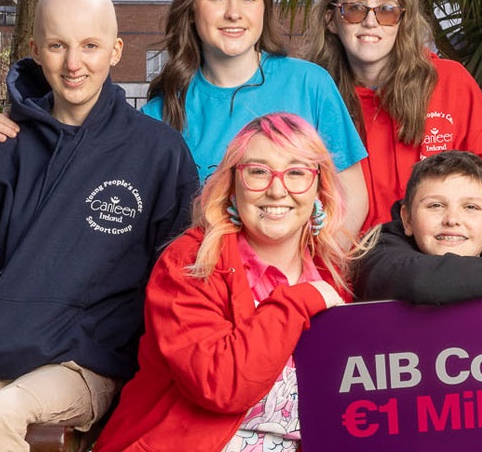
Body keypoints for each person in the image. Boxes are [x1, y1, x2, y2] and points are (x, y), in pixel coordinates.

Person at [0, 0, 199, 452]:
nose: (74, 64)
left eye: (90, 46)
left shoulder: (157, 153)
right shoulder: (2, 150)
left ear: (115, 51)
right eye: (57, 46)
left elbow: (177, 279)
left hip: (84, 367)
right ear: (35, 50)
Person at [0, 0, 372, 234]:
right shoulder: (159, 113)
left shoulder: (309, 83)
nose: (234, 12)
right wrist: (22, 127)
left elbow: (353, 198)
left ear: (263, 8)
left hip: (302, 290)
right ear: (191, 9)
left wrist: (311, 269)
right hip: (206, 300)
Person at [94, 113, 352, 452]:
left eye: (296, 173)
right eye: (258, 172)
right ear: (232, 184)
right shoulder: (192, 262)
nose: (277, 190)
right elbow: (222, 384)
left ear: (320, 187)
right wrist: (300, 301)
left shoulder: (329, 274)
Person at [309, 0, 482, 234]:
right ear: (331, 19)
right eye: (355, 9)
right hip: (351, 263)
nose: (370, 22)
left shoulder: (449, 82)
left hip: (446, 259)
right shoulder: (311, 95)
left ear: (402, 20)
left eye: (386, 10)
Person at [353, 151, 482, 304]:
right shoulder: (378, 252)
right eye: (435, 205)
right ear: (408, 219)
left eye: (471, 207)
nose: (452, 220)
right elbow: (421, 280)